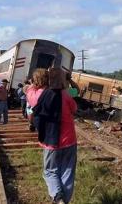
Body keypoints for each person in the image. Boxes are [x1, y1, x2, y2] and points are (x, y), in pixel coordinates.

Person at [33, 68, 77, 204]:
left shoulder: (40, 94)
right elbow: (74, 109)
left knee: (50, 171)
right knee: (67, 173)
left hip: (51, 142)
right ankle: (64, 200)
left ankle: (58, 198)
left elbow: (33, 109)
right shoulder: (67, 94)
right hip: (69, 141)